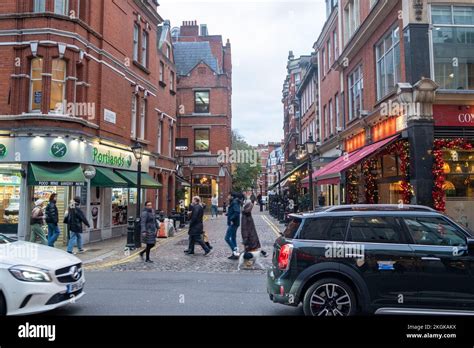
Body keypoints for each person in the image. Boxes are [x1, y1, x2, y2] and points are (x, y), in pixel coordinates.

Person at [225, 192, 241, 260]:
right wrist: (228, 214)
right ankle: (235, 254)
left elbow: (237, 212)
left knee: (227, 238)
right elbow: (234, 211)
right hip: (235, 223)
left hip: (233, 223)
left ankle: (235, 252)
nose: (228, 196)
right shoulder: (234, 202)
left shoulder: (234, 202)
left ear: (232, 196)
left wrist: (231, 218)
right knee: (233, 238)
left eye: (229, 195)